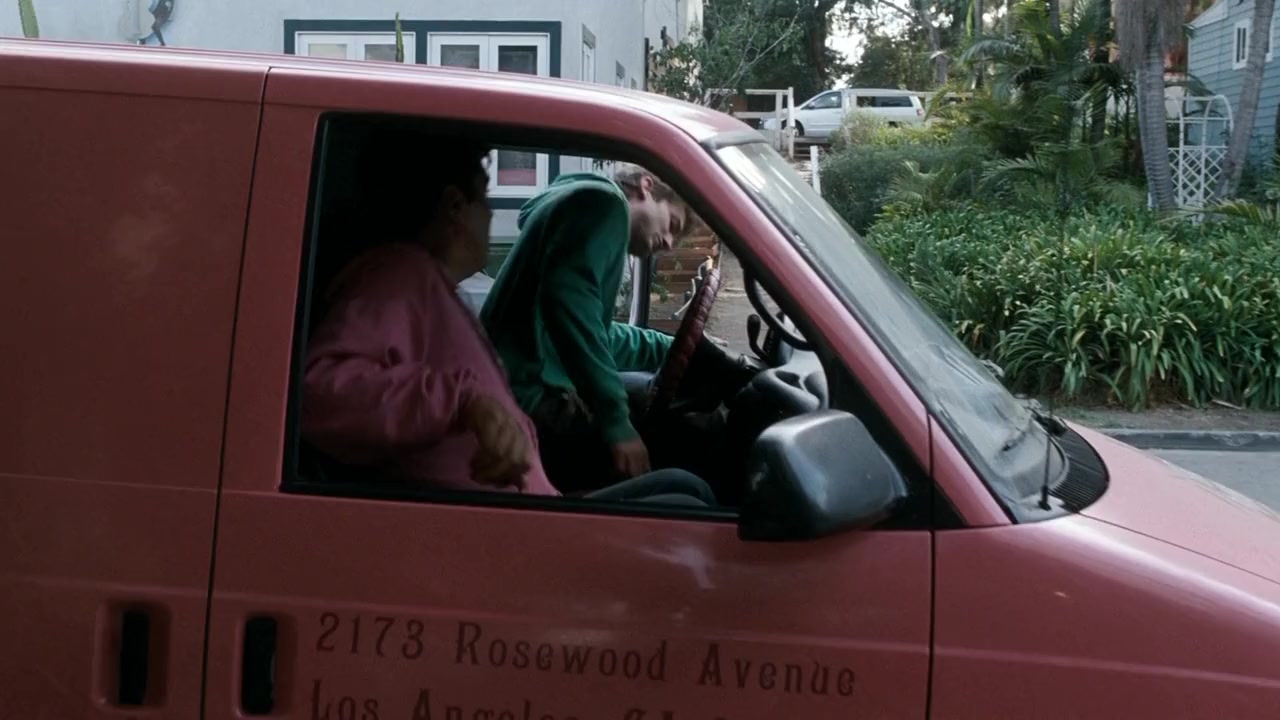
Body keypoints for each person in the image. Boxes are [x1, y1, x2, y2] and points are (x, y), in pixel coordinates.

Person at [300, 130, 714, 506]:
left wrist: (669, 347)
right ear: (455, 207)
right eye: (485, 198)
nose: (491, 213)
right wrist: (466, 401)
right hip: (510, 520)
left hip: (524, 501)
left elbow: (590, 327)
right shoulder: (399, 277)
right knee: (689, 479)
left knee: (684, 487)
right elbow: (318, 392)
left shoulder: (432, 289)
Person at [480, 166, 734, 492]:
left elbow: (595, 332)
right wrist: (616, 424)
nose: (669, 243)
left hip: (514, 388)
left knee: (660, 407)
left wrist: (672, 347)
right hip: (530, 400)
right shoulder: (604, 204)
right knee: (696, 435)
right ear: (646, 186)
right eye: (672, 224)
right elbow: (575, 314)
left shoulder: (580, 214)